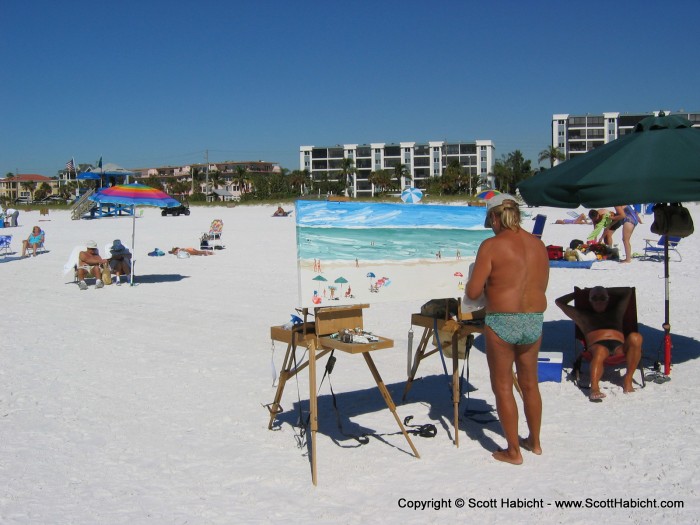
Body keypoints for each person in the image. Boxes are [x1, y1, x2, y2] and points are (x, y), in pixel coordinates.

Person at [466, 194, 549, 465]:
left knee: (503, 386)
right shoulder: (539, 245)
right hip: (533, 319)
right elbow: (540, 286)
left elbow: (474, 291)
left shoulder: (491, 246)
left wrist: (490, 287)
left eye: (489, 221)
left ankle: (513, 451)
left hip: (503, 319)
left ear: (494, 217)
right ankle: (534, 442)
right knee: (529, 383)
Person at [555, 286, 642, 401]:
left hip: (619, 347)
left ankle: (628, 379)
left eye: (602, 298)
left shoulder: (617, 311)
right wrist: (581, 294)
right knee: (601, 350)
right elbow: (559, 302)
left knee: (636, 337)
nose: (599, 301)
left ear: (608, 299)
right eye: (594, 298)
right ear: (589, 300)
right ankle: (594, 388)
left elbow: (627, 291)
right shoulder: (582, 316)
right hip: (597, 346)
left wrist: (604, 290)